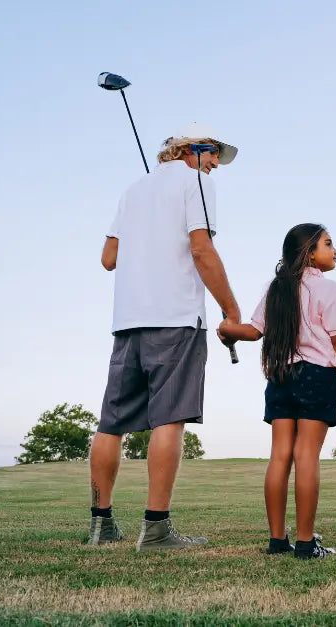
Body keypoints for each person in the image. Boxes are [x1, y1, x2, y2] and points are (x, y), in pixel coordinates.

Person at [88, 122, 244, 552]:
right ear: (188, 150)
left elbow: (109, 258)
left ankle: (101, 526)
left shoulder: (133, 190)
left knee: (111, 423)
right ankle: (155, 530)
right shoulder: (197, 183)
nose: (215, 163)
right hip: (175, 317)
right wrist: (231, 310)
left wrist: (150, 236)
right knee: (169, 418)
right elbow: (202, 250)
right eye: (213, 152)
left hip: (128, 321)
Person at [217, 223, 336, 559]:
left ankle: (277, 541)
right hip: (317, 376)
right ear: (309, 253)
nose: (335, 251)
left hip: (280, 375)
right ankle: (305, 543)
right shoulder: (331, 290)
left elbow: (253, 330)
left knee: (280, 457)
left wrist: (229, 331)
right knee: (306, 457)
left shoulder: (277, 289)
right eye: (328, 244)